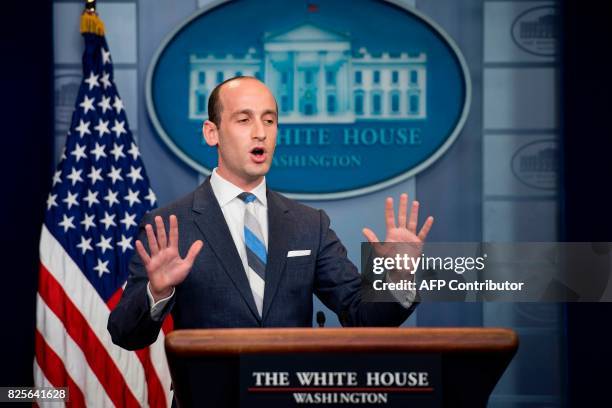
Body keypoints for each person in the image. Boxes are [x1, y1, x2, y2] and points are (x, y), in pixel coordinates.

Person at [108, 76, 434, 350]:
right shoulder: (170, 226)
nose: (260, 132)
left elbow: (361, 316)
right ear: (212, 133)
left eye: (269, 120)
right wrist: (158, 292)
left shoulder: (309, 225)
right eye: (244, 119)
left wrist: (396, 276)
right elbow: (125, 333)